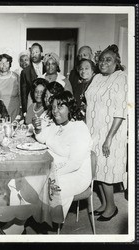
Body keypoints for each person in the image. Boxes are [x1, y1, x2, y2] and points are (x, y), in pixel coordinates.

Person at [35, 91, 92, 222]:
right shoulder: (57, 124)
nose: (55, 111)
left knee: (40, 187)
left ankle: (42, 219)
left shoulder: (79, 129)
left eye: (60, 106)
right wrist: (38, 129)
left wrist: (50, 173)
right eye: (53, 107)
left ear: (70, 108)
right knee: (32, 181)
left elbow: (74, 164)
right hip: (58, 169)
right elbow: (42, 138)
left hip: (76, 175)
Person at [85, 44, 127, 221]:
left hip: (110, 133)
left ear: (116, 62)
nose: (103, 62)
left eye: (108, 59)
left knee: (107, 171)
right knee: (97, 169)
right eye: (101, 59)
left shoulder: (120, 78)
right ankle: (104, 204)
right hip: (94, 131)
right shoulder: (96, 78)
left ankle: (112, 207)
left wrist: (109, 138)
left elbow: (120, 111)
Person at [20, 43, 45, 115]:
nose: (34, 55)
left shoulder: (48, 67)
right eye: (32, 53)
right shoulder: (25, 72)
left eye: (36, 52)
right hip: (33, 106)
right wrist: (25, 111)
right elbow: (24, 94)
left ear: (41, 53)